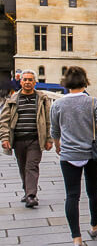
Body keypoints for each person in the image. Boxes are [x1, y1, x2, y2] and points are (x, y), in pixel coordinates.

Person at [50, 66, 97, 246]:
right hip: (92, 153)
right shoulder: (93, 102)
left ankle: (76, 238)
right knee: (93, 192)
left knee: (72, 195)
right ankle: (94, 225)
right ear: (85, 82)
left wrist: (57, 145)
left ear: (66, 83)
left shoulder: (58, 104)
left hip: (69, 154)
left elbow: (55, 130)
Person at [0, 69, 54, 208]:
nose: (27, 82)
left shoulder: (42, 99)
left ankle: (31, 195)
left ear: (35, 82)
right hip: (18, 140)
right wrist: (4, 138)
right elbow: (4, 121)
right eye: (25, 80)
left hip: (35, 139)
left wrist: (49, 139)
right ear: (21, 82)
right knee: (23, 167)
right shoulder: (12, 99)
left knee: (32, 166)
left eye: (30, 80)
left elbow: (48, 120)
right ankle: (27, 191)